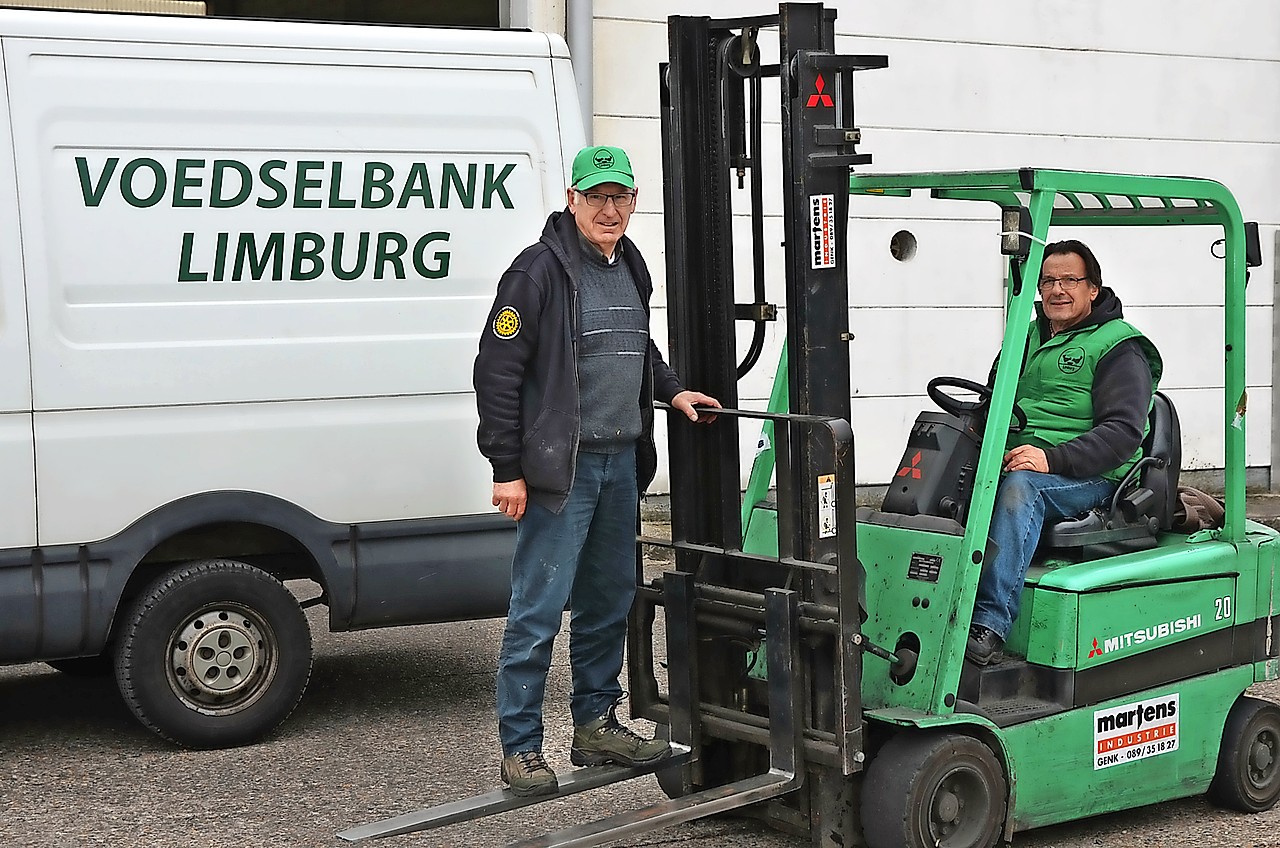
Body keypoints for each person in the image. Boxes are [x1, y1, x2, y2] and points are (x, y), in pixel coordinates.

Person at [473, 145, 721, 795]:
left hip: (620, 464)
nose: (609, 210)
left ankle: (594, 724)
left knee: (609, 599)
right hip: (564, 472)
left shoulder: (631, 264)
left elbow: (639, 345)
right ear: (572, 201)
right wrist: (507, 467)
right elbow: (496, 371)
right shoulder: (537, 273)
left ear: (634, 201)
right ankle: (521, 747)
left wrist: (672, 391)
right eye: (597, 197)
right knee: (539, 607)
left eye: (621, 197)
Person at [966, 240, 1162, 665]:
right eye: (1049, 281)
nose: (1058, 290)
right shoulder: (1026, 334)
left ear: (1093, 288)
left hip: (1095, 474)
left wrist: (1049, 459)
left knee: (1022, 490)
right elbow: (992, 401)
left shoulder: (1119, 347)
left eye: (1070, 280)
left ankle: (988, 623)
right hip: (1025, 459)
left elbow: (1122, 434)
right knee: (938, 470)